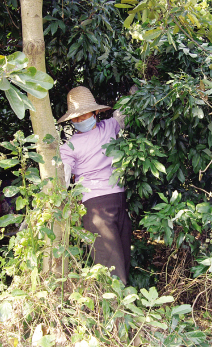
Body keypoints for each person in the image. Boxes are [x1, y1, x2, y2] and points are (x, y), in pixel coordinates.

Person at [58, 86, 132, 285]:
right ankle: (114, 309)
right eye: (76, 118)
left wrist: (135, 91)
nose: (80, 120)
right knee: (109, 260)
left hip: (118, 200)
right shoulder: (68, 148)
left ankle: (122, 307)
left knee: (122, 255)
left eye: (84, 115)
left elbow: (123, 114)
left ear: (96, 112)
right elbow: (62, 179)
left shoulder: (109, 127)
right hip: (94, 206)